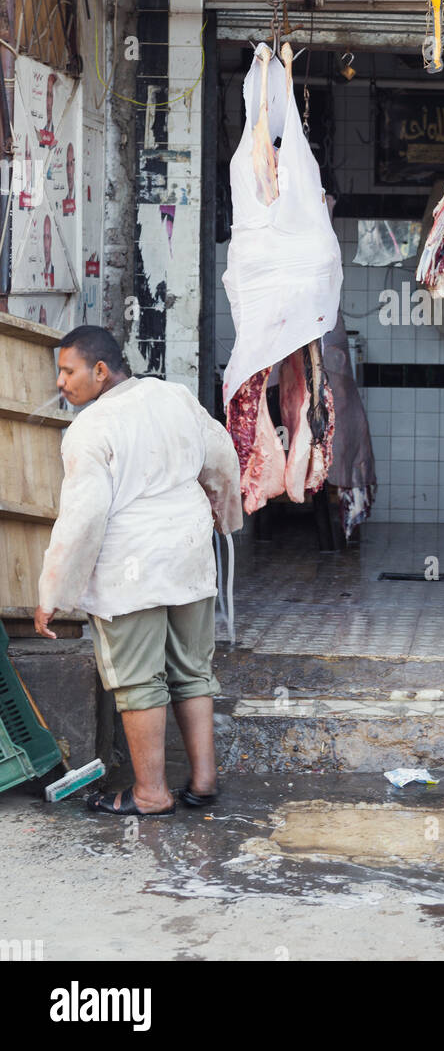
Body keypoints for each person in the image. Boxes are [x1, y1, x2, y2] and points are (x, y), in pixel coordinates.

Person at [34, 325, 243, 817]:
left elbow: (83, 517)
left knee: (137, 681)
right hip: (190, 554)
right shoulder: (175, 397)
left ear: (100, 370)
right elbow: (222, 459)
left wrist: (53, 591)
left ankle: (151, 793)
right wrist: (225, 517)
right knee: (193, 671)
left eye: (68, 371)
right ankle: (203, 781)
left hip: (132, 570)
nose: (61, 382)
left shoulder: (90, 429)